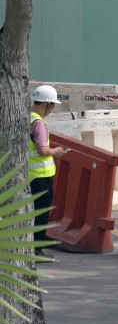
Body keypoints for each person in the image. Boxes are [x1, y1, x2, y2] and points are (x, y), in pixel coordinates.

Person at [29, 85, 67, 243]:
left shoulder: (27, 117)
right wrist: (56, 151)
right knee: (42, 214)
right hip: (41, 177)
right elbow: (43, 150)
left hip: (29, 176)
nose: (51, 111)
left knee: (31, 213)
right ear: (45, 105)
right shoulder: (39, 124)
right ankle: (37, 250)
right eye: (51, 107)